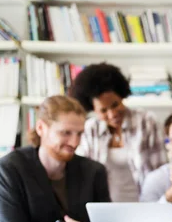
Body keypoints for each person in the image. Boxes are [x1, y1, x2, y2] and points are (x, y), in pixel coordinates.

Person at [0, 96, 109, 222]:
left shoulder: (94, 171)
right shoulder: (9, 169)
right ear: (41, 128)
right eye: (65, 133)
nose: (74, 142)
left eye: (79, 134)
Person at [71, 63, 166, 202]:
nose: (112, 114)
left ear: (122, 96)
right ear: (93, 109)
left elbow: (161, 171)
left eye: (115, 104)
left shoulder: (147, 122)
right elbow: (83, 173)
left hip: (145, 204)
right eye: (103, 110)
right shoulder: (90, 130)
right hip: (106, 206)